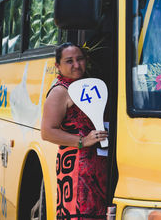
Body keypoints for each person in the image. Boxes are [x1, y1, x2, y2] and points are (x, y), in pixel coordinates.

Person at [41, 42, 108, 219]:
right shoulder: (60, 92)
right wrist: (83, 141)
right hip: (76, 168)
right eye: (69, 61)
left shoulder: (89, 85)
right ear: (58, 65)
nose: (76, 65)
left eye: (80, 59)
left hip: (96, 166)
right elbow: (47, 132)